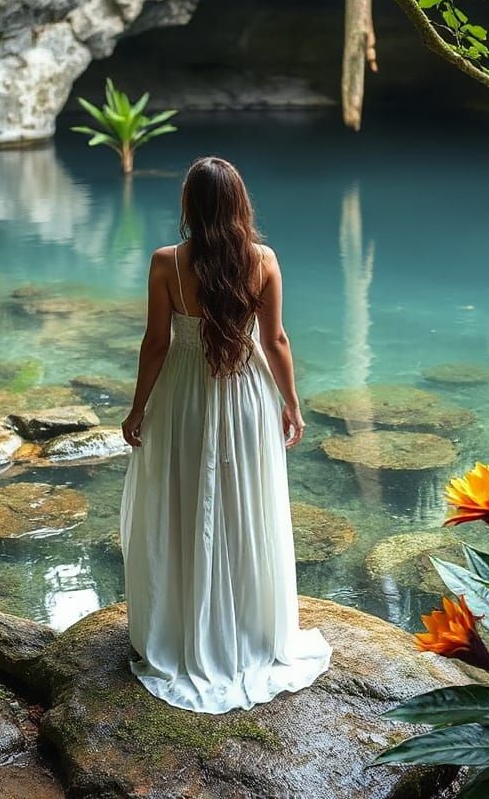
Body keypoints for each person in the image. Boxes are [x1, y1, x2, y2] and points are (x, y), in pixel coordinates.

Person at [119, 155, 332, 714]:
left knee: (183, 503)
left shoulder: (166, 262)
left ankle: (185, 628)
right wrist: (291, 404)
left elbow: (156, 345)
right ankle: (249, 632)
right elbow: (277, 339)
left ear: (189, 204)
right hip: (246, 397)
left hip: (183, 397)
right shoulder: (262, 260)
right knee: (244, 508)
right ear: (241, 204)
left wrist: (137, 409)